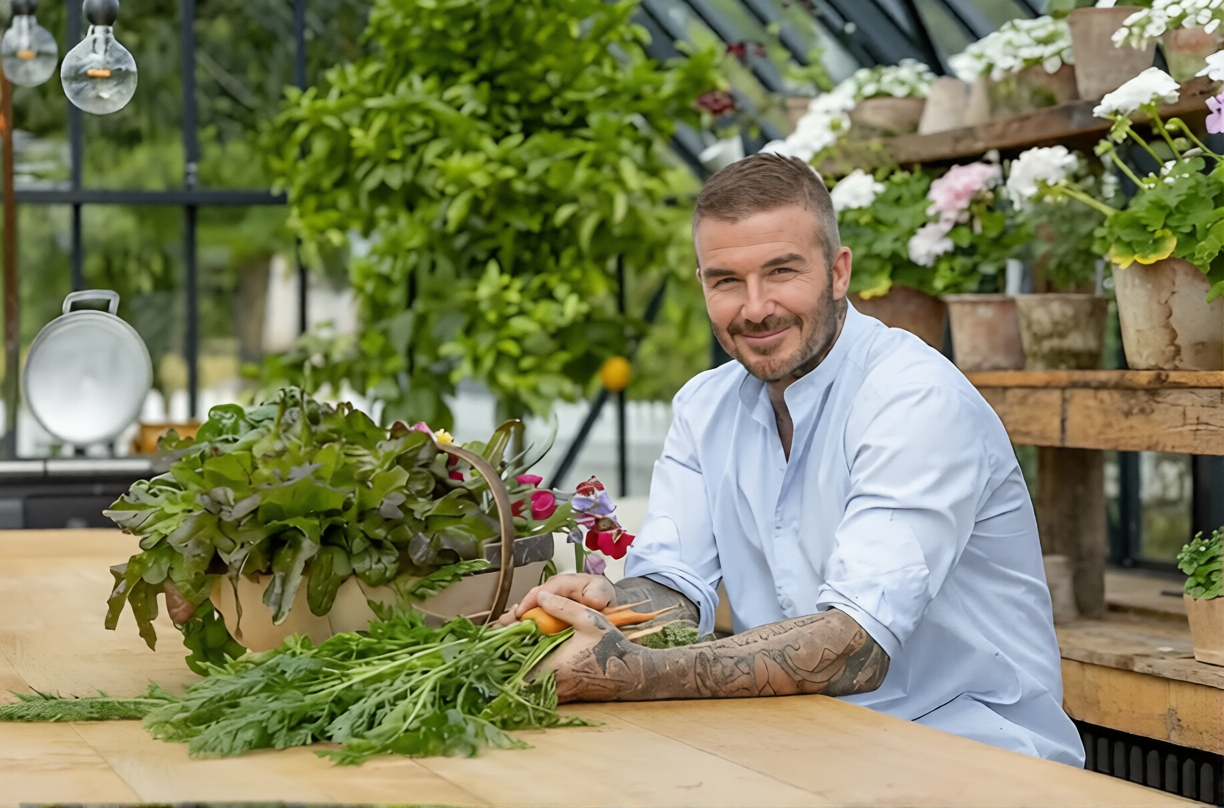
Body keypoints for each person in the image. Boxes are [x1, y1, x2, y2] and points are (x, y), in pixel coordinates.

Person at [499, 153, 1085, 767]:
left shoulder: (913, 397)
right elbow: (676, 585)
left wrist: (633, 671)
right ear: (703, 284)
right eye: (727, 280)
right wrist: (609, 604)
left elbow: (854, 645)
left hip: (972, 755)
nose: (755, 308)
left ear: (838, 272)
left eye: (781, 271)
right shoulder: (705, 406)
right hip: (808, 739)